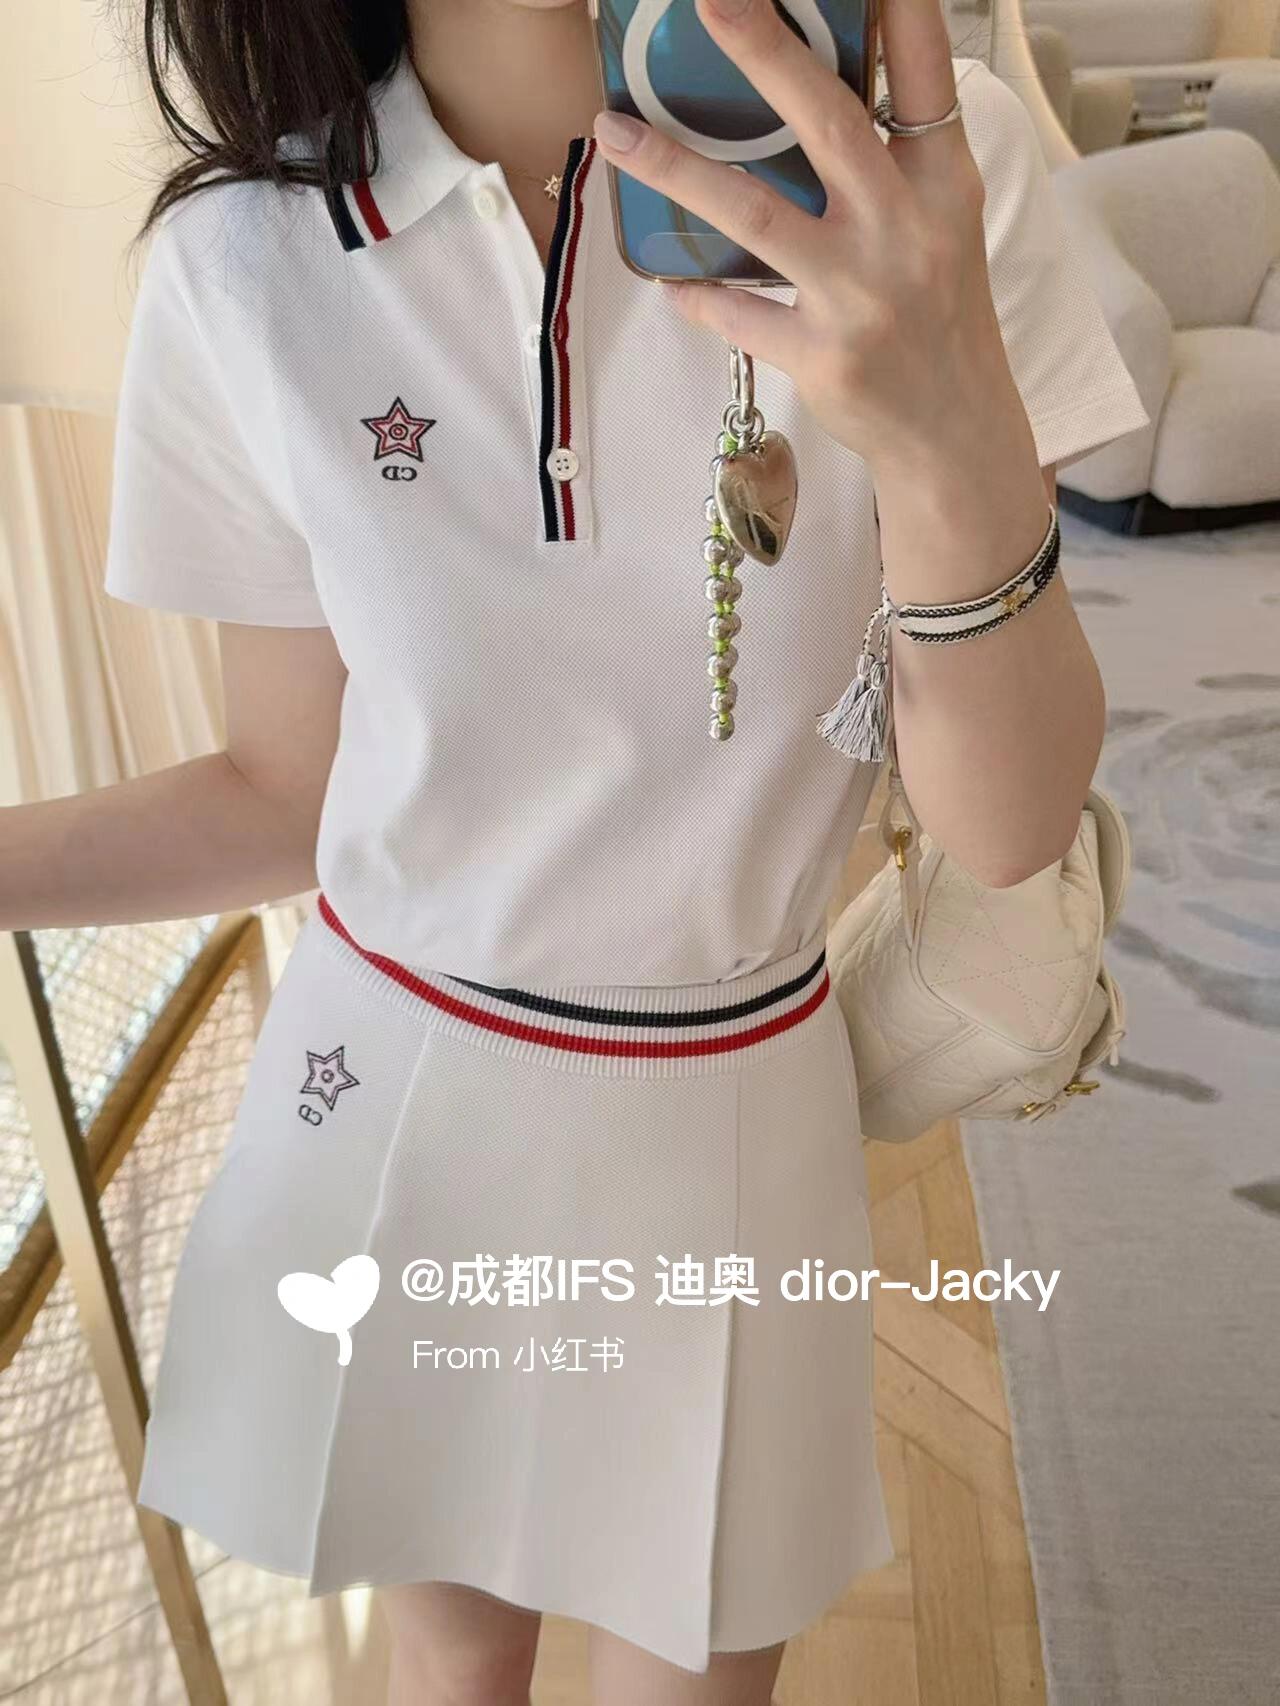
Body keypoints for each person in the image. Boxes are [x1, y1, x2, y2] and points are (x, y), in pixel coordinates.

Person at [2, 0, 1148, 1701]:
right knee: (449, 1653)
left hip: (725, 1114)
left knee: (693, 1655)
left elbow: (1010, 827)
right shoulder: (245, 259)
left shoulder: (921, 167)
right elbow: (281, 785)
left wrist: (943, 422)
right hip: (388, 1098)